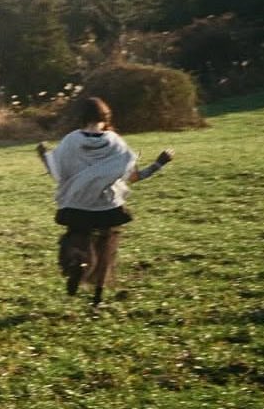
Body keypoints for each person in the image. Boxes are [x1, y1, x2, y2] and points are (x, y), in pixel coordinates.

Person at [37, 96, 175, 306]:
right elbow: (132, 177)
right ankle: (98, 297)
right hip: (107, 207)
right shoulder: (115, 142)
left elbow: (58, 173)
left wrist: (44, 156)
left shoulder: (71, 140)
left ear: (81, 117)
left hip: (77, 206)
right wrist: (158, 163)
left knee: (75, 239)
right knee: (106, 250)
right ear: (106, 117)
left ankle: (77, 263)